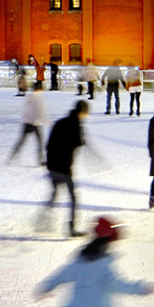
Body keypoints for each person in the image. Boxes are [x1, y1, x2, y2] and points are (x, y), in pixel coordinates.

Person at [44, 101, 92, 235]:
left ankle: (44, 218)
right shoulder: (76, 126)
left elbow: (48, 144)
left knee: (55, 192)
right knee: (73, 197)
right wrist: (81, 139)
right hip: (64, 167)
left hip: (51, 164)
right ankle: (71, 228)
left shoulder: (60, 122)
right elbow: (77, 143)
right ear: (82, 112)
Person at [10, 86, 45, 164]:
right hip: (34, 123)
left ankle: (12, 156)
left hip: (26, 122)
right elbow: (37, 111)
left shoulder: (29, 97)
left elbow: (26, 110)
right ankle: (40, 159)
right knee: (40, 142)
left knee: (21, 141)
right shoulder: (37, 99)